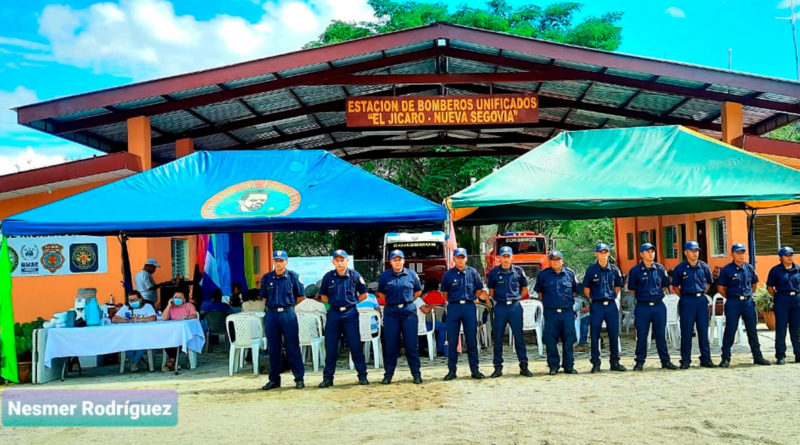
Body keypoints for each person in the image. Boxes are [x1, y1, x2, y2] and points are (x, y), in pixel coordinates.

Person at [319, 249, 370, 388]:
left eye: (343, 260)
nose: (340, 263)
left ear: (347, 261)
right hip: (334, 314)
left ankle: (362, 376)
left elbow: (364, 294)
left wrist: (352, 303)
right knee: (331, 346)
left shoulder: (355, 276)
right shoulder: (328, 277)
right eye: (337, 260)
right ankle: (328, 378)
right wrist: (332, 307)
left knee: (355, 345)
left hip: (350, 314)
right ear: (333, 262)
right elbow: (323, 296)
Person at [718, 243, 771, 368]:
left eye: (743, 253)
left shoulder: (749, 268)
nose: (741, 256)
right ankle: (725, 358)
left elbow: (754, 284)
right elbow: (721, 288)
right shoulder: (727, 270)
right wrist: (731, 297)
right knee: (730, 330)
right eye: (738, 253)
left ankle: (758, 357)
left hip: (747, 302)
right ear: (732, 254)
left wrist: (747, 295)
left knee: (752, 331)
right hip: (733, 302)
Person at [441, 247, 489, 381]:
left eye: (463, 257)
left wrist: (471, 297)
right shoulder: (448, 275)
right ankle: (452, 371)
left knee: (471, 340)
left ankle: (475, 370)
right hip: (454, 307)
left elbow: (479, 290)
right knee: (452, 340)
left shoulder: (473, 273)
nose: (460, 260)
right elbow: (444, 293)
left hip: (468, 307)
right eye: (458, 257)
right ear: (454, 259)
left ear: (466, 258)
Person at [260, 250, 306, 390]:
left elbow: (301, 296)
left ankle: (299, 378)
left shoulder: (293, 277)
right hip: (272, 315)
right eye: (276, 260)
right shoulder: (267, 278)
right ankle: (274, 379)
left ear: (286, 261)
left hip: (287, 314)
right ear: (273, 261)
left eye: (281, 260)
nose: (278, 263)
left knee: (293, 346)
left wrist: (288, 307)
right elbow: (264, 297)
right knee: (273, 348)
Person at [628, 243, 678, 371]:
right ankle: (639, 362)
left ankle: (665, 361)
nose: (651, 254)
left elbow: (665, 286)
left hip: (658, 306)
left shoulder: (660, 269)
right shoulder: (635, 270)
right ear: (641, 254)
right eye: (648, 251)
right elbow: (632, 289)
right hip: (643, 306)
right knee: (642, 335)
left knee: (661, 335)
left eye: (652, 251)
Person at [377, 249, 424, 384]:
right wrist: (394, 301)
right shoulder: (385, 276)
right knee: (391, 346)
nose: (397, 262)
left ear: (404, 260)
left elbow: (418, 291)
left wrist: (406, 300)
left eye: (399, 259)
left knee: (411, 345)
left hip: (408, 312)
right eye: (394, 260)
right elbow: (381, 293)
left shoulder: (411, 275)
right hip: (391, 313)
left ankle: (416, 374)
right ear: (390, 262)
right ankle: (388, 375)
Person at [486, 246, 532, 378]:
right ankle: (497, 367)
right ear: (499, 257)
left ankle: (524, 366)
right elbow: (491, 292)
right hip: (500, 307)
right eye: (503, 256)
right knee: (498, 338)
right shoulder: (494, 273)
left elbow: (524, 290)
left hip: (515, 307)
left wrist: (515, 298)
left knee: (519, 337)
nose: (505, 259)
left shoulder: (518, 271)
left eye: (508, 256)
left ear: (512, 257)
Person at [671, 240, 716, 369]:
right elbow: (675, 287)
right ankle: (685, 360)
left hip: (701, 300)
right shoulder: (680, 268)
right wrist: (686, 296)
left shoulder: (704, 267)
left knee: (703, 331)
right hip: (687, 301)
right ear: (686, 252)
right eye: (692, 251)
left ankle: (706, 359)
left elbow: (708, 284)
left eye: (696, 251)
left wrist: (699, 294)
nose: (695, 253)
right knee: (686, 331)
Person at [534, 251, 579, 375]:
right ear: (550, 261)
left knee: (569, 339)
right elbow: (540, 292)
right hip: (551, 312)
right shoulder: (543, 275)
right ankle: (553, 366)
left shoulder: (570, 274)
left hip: (567, 312)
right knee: (550, 340)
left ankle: (569, 365)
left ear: (562, 261)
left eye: (558, 259)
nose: (556, 262)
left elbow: (574, 291)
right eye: (553, 260)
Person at [583, 243, 626, 373]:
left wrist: (611, 295)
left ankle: (615, 362)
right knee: (595, 334)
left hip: (611, 305)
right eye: (601, 252)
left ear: (609, 253)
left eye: (605, 252)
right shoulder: (591, 270)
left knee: (614, 333)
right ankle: (596, 363)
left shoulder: (614, 269)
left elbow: (618, 285)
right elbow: (586, 288)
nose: (603, 254)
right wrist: (595, 298)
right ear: (596, 254)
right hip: (597, 305)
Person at [767, 246, 800, 364]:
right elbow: (770, 287)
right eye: (787, 255)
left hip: (796, 299)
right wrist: (778, 296)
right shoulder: (775, 270)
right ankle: (780, 355)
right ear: (781, 258)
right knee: (781, 329)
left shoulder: (798, 269)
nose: (790, 257)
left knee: (797, 329)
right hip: (782, 299)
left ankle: (798, 354)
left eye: (791, 255)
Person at [112, 290, 157, 371]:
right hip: (129, 335)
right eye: (130, 300)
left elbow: (153, 318)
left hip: (145, 334)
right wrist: (126, 321)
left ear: (140, 299)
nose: (132, 302)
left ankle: (135, 362)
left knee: (143, 343)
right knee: (123, 343)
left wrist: (139, 319)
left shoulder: (147, 306)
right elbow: (114, 319)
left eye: (134, 300)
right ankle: (137, 361)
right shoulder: (126, 307)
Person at [160, 291, 199, 372]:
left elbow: (194, 315)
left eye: (180, 297)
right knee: (165, 339)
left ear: (184, 299)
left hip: (186, 333)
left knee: (178, 339)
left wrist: (186, 317)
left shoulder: (188, 305)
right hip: (172, 332)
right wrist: (168, 305)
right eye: (175, 297)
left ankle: (172, 361)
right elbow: (164, 318)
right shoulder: (171, 307)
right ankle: (173, 360)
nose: (177, 299)